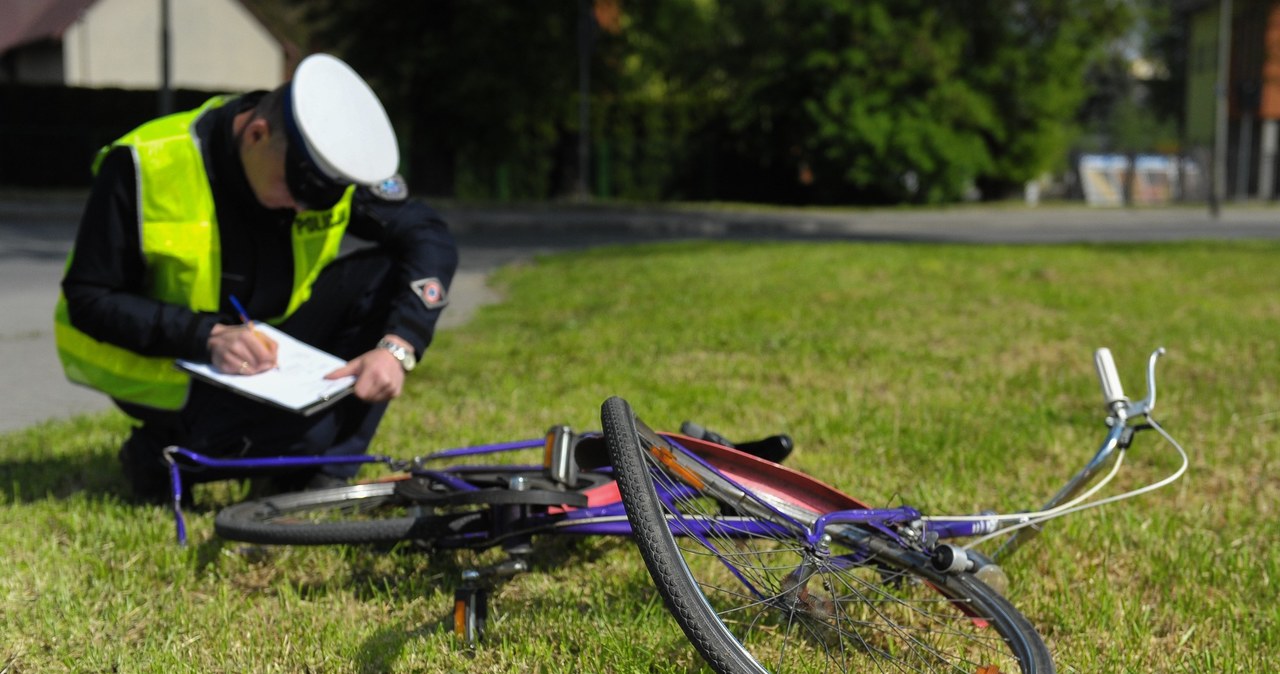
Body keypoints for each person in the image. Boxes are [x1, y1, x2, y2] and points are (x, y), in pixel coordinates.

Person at [53, 53, 458, 503]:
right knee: (304, 435)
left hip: (275, 354)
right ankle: (164, 455)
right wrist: (206, 336)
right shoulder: (147, 165)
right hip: (179, 367)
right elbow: (89, 296)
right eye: (296, 193)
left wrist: (398, 346)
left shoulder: (319, 165)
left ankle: (326, 474)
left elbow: (429, 236)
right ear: (257, 134)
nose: (302, 210)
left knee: (386, 273)